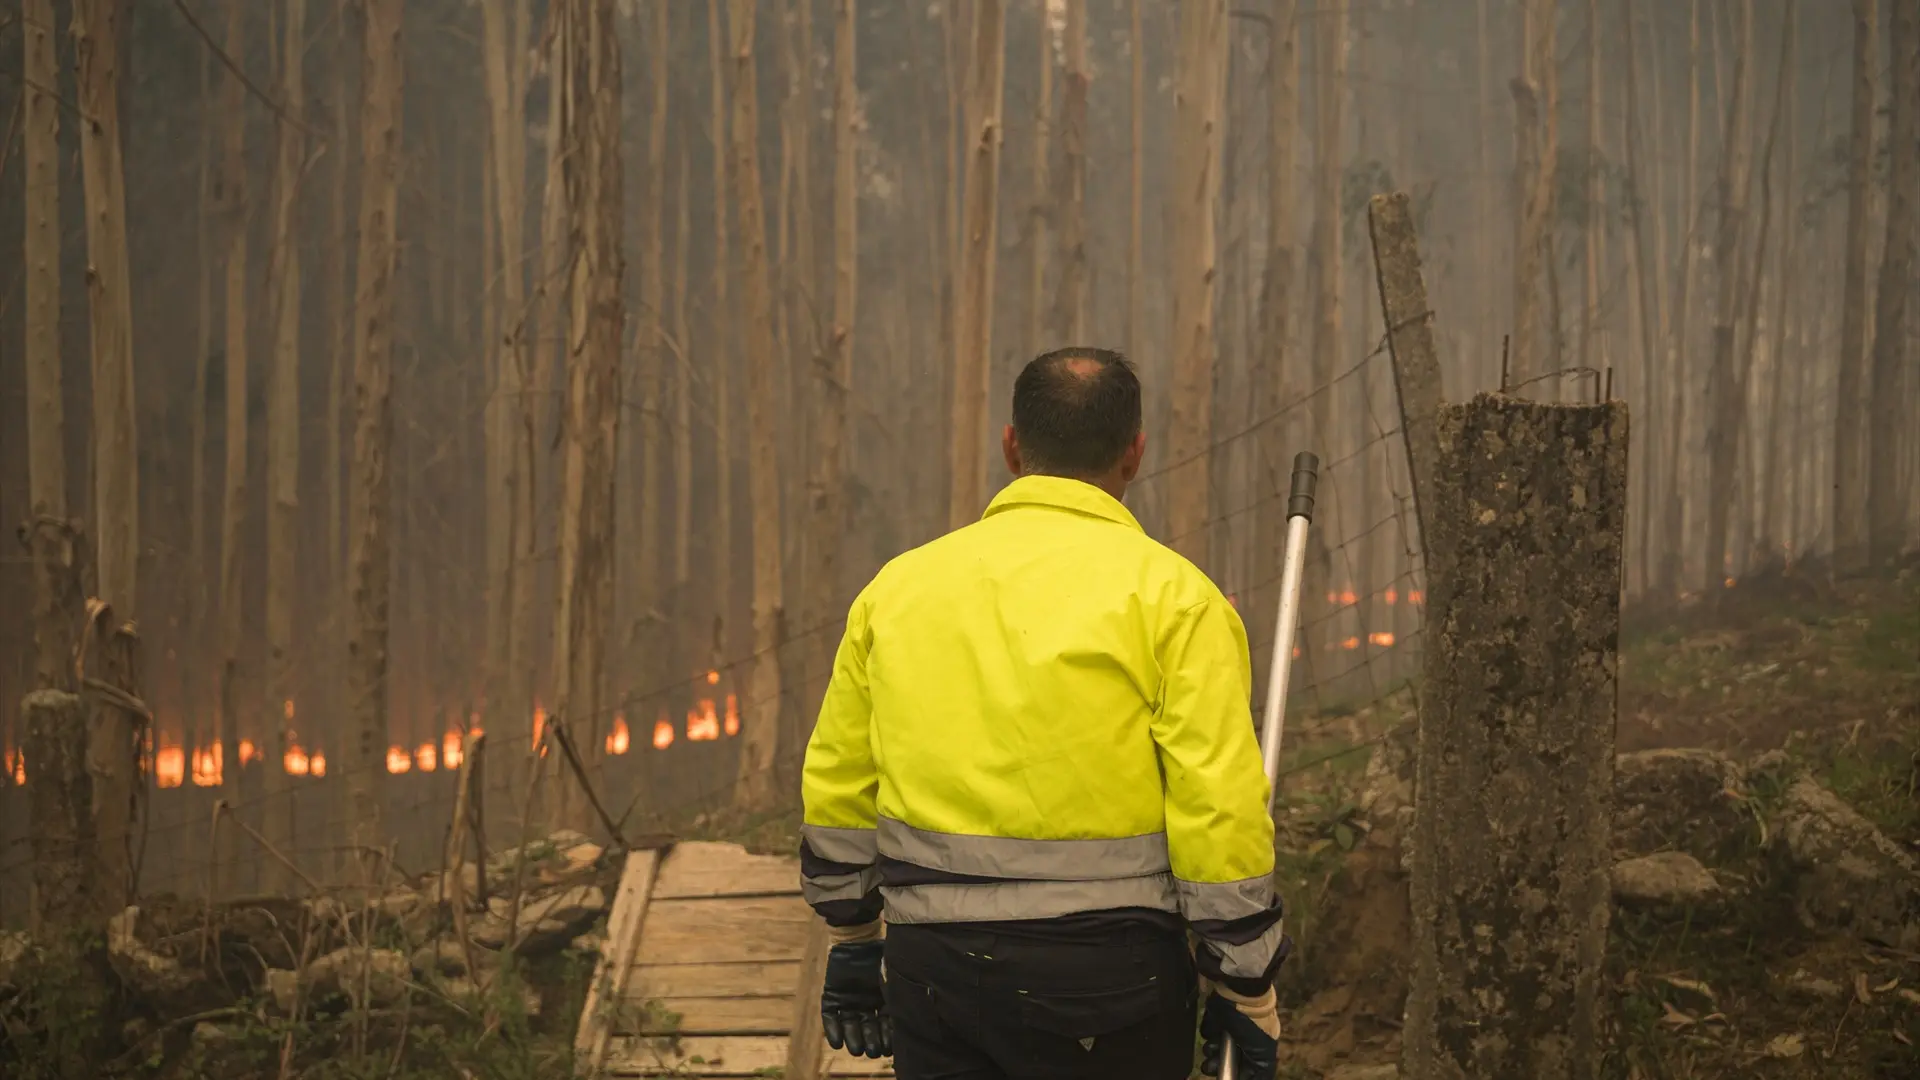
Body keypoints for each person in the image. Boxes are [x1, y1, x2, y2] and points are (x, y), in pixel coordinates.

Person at [798, 347, 1288, 1080]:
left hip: (937, 974)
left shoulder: (896, 593)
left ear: (1011, 446)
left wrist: (853, 935)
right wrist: (1246, 982)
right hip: (1113, 984)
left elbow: (838, 781)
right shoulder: (1178, 600)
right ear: (1135, 453)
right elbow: (1217, 806)